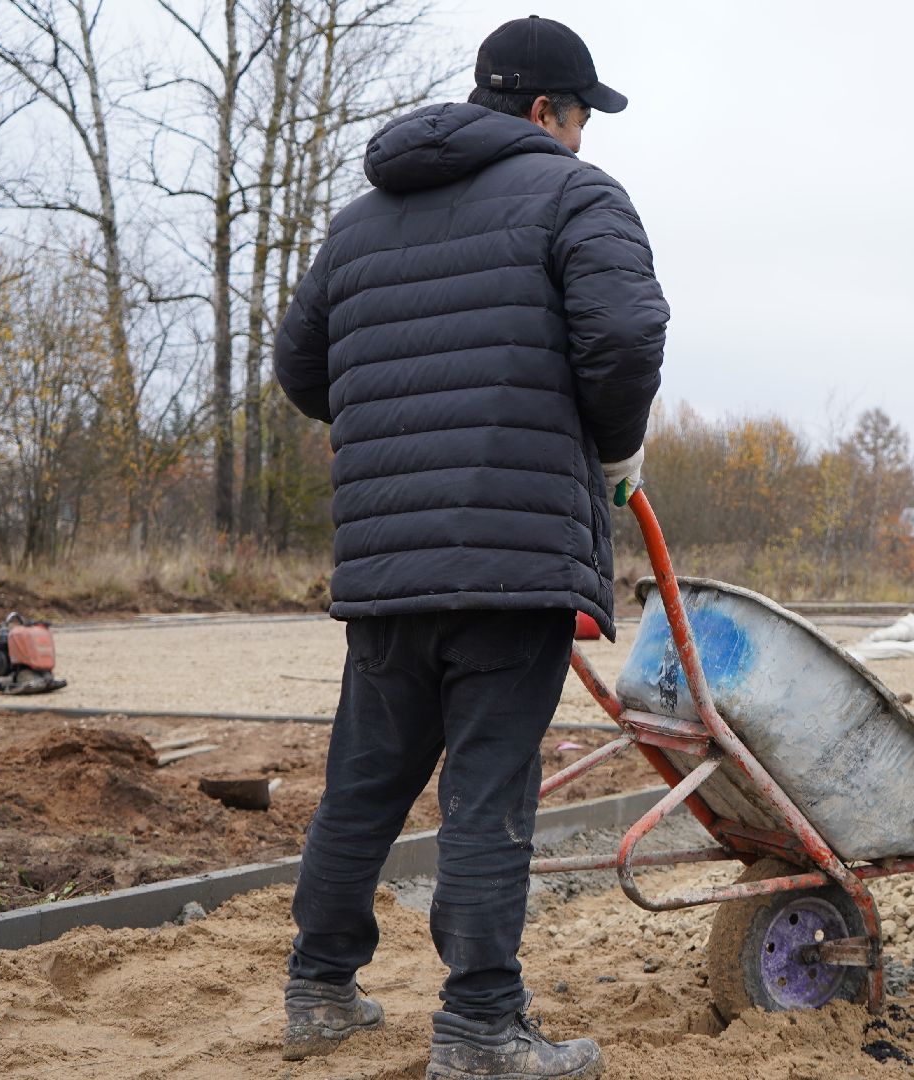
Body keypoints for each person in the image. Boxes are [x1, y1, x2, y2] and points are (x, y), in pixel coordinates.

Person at [272, 16, 666, 1079]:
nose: (583, 137)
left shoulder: (360, 224)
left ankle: (319, 986)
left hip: (388, 561)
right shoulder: (577, 196)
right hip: (511, 551)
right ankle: (483, 1026)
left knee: (366, 776)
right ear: (546, 111)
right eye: (579, 117)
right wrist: (617, 448)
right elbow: (624, 339)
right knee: (491, 791)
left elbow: (301, 371)